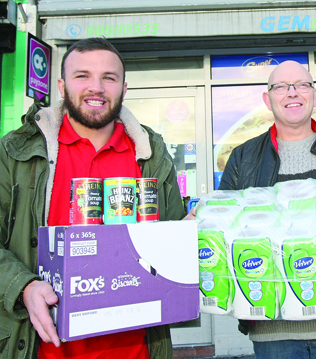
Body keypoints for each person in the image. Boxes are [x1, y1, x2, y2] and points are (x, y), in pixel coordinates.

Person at [0, 38, 185, 359]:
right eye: (82, 75)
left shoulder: (151, 154)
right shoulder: (15, 153)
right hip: (40, 349)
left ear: (124, 88)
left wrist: (191, 235)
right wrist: (23, 286)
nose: (96, 87)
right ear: (61, 85)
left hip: (137, 349)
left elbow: (171, 248)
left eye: (109, 78)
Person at [218, 60, 316, 358]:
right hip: (273, 327)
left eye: (301, 85)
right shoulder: (242, 158)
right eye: (281, 86)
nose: (292, 93)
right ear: (268, 100)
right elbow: (224, 232)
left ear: (315, 96)